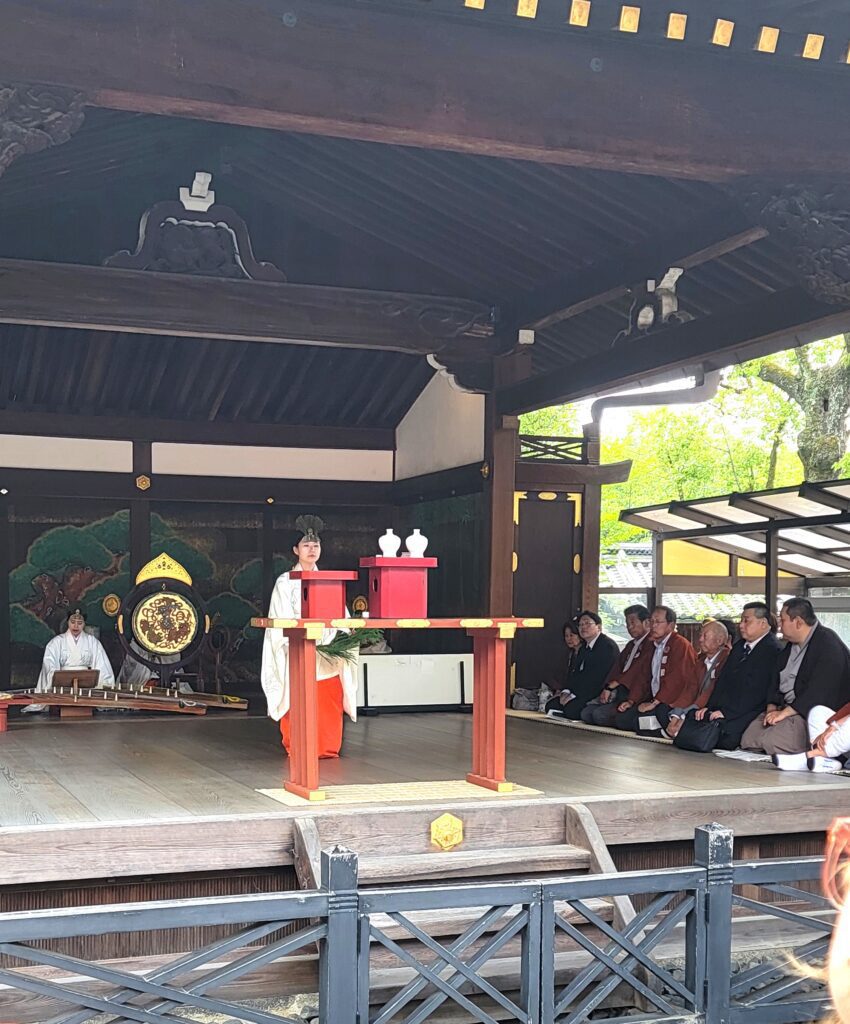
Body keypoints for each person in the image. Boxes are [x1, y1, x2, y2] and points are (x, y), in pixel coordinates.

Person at [260, 515, 357, 759]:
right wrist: (293, 640)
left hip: (327, 653)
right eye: (306, 545)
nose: (311, 550)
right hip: (297, 649)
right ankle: (300, 746)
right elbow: (278, 619)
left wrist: (341, 638)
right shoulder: (285, 583)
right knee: (299, 698)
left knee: (327, 700)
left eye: (316, 545)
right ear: (296, 550)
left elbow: (342, 617)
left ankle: (326, 747)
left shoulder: (330, 581)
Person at [746, 597, 850, 764]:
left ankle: (815, 757)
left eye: (783, 620)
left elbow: (819, 691)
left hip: (805, 712)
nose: (779, 625)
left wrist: (785, 713)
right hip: (785, 708)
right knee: (749, 738)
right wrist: (771, 707)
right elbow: (775, 679)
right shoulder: (790, 645)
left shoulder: (828, 645)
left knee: (771, 741)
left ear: (799, 622)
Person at [674, 602, 782, 752]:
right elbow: (723, 680)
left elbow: (757, 691)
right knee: (698, 717)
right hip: (727, 706)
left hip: (749, 709)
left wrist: (727, 712)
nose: (741, 625)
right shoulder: (740, 646)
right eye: (741, 621)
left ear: (763, 623)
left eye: (746, 620)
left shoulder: (772, 649)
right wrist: (710, 707)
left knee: (725, 735)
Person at [613, 606, 698, 733]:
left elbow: (676, 680)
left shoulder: (680, 644)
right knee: (623, 719)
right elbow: (643, 676)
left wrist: (655, 703)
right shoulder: (653, 645)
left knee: (639, 722)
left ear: (671, 625)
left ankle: (667, 730)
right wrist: (631, 700)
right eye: (652, 622)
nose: (653, 626)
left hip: (670, 702)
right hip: (653, 698)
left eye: (658, 622)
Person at [27, 608, 115, 711]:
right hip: (63, 683)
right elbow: (49, 662)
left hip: (86, 683)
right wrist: (53, 675)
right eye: (72, 622)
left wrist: (102, 683)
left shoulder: (92, 641)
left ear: (84, 624)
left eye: (79, 623)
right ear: (67, 622)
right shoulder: (57, 642)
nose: (76, 626)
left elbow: (102, 663)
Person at [581, 605, 652, 727]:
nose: (629, 627)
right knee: (586, 713)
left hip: (636, 693)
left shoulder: (651, 644)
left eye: (633, 622)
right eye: (627, 623)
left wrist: (615, 684)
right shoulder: (631, 645)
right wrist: (608, 687)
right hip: (619, 692)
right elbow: (617, 668)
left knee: (599, 715)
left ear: (646, 623)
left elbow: (637, 670)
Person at [660, 620, 729, 739]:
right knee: (663, 710)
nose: (700, 639)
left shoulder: (727, 659)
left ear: (720, 640)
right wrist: (677, 715)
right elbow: (690, 690)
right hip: (693, 706)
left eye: (705, 636)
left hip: (711, 708)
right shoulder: (701, 661)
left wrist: (685, 715)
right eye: (700, 635)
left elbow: (711, 691)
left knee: (696, 716)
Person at [545, 611, 619, 720]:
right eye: (580, 625)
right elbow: (576, 674)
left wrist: (574, 696)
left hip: (598, 691)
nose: (583, 627)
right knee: (551, 705)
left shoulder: (607, 646)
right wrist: (567, 691)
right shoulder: (584, 647)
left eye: (587, 623)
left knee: (572, 709)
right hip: (581, 690)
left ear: (598, 627)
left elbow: (599, 677)